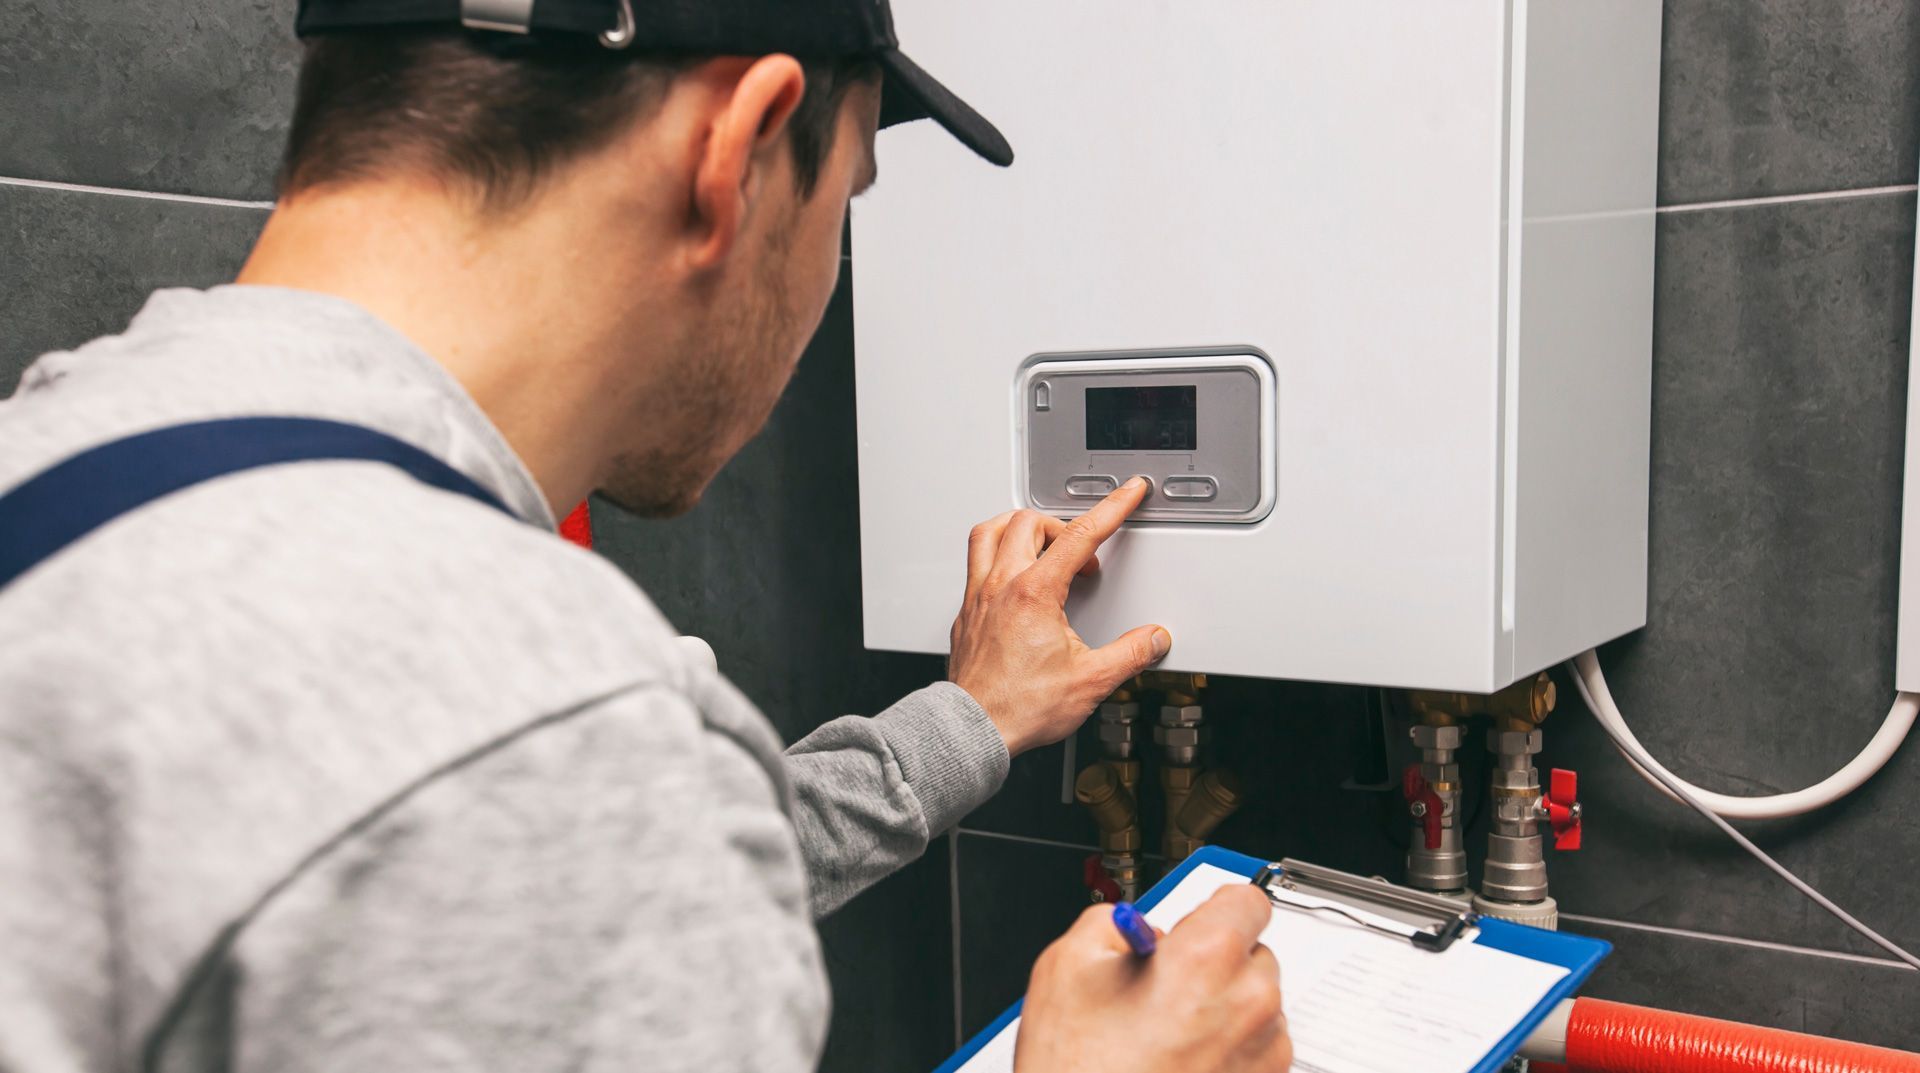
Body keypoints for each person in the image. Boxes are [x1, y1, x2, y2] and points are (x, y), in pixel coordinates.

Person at [0, 1, 1291, 1070]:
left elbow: (509, 891)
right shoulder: (543, 724)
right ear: (737, 148)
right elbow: (537, 806)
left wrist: (971, 717)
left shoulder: (65, 453)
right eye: (847, 194)